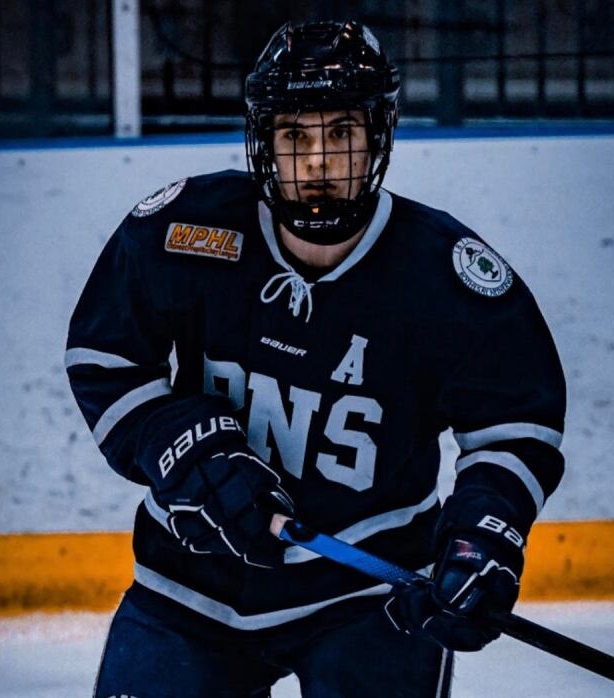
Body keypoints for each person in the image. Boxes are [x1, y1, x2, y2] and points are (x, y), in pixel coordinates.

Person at [66, 19, 566, 698]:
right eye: (294, 136)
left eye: (341, 134)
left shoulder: (445, 279)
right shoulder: (183, 234)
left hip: (370, 595)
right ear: (262, 142)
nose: (319, 164)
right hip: (188, 589)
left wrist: (483, 535)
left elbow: (515, 425)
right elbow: (105, 359)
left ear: (378, 136)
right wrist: (186, 449)